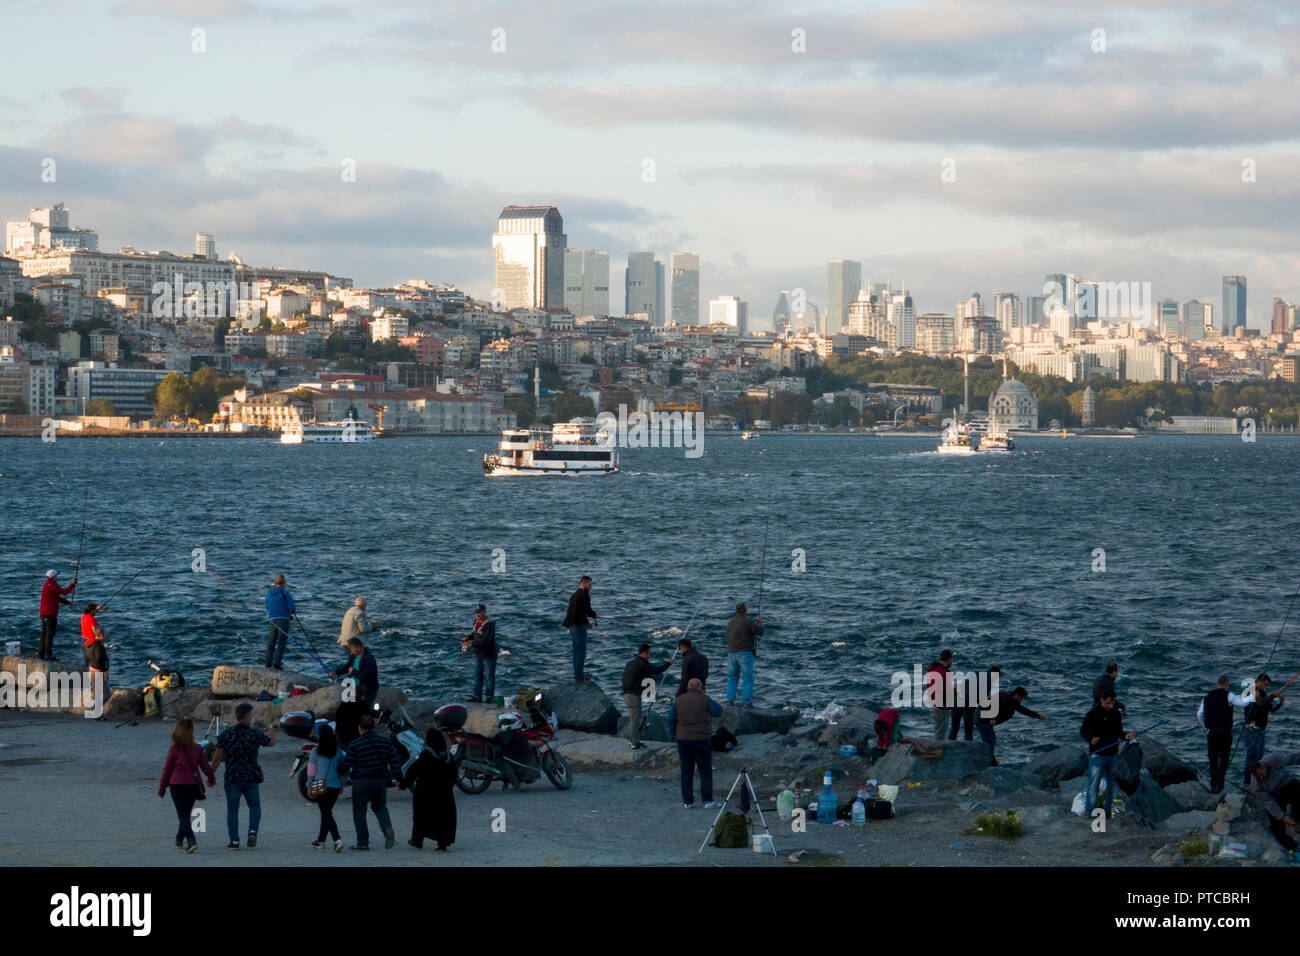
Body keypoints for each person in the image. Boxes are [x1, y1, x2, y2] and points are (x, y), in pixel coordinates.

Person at [209, 701, 275, 850]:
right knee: (254, 805)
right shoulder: (254, 734)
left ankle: (234, 841)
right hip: (250, 776)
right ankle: (252, 831)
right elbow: (270, 743)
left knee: (232, 809)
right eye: (250, 715)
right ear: (247, 717)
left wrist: (210, 775)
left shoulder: (226, 734)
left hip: (232, 777)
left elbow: (218, 757)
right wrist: (271, 731)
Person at [337, 712, 402, 850]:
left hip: (361, 781)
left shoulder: (355, 744)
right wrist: (399, 779)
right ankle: (387, 829)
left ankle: (363, 842)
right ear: (373, 727)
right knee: (380, 807)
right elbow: (394, 762)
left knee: (359, 812)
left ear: (360, 727)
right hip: (380, 780)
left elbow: (346, 765)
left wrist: (337, 771)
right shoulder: (385, 742)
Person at [157, 718, 215, 853]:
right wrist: (211, 778)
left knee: (183, 815)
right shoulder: (198, 748)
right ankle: (179, 839)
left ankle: (191, 840)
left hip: (177, 786)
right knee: (185, 814)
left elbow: (167, 770)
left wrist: (162, 788)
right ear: (191, 731)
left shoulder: (173, 749)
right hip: (193, 786)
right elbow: (205, 766)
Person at [400, 728, 458, 851]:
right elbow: (455, 775)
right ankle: (442, 845)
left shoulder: (426, 755)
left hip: (425, 794)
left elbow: (413, 771)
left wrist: (403, 785)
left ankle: (417, 840)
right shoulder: (449, 757)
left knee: (421, 817)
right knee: (444, 819)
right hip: (445, 795)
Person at [668, 678, 723, 809]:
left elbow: (670, 721)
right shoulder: (705, 699)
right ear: (700, 687)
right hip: (701, 740)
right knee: (705, 771)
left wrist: (675, 734)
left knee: (686, 772)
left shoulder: (679, 701)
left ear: (688, 687)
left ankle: (688, 801)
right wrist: (705, 696)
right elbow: (718, 711)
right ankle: (707, 801)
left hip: (683, 740)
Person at [1080, 690, 1135, 819]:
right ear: (1101, 700)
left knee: (1113, 785)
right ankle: (1090, 813)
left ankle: (1110, 813)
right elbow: (1083, 731)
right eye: (1108, 703)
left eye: (1112, 703)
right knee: (1093, 785)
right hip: (1097, 754)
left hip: (1113, 754)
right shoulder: (1092, 714)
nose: (1111, 706)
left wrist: (1127, 736)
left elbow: (1119, 733)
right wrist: (1090, 739)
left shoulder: (1116, 713)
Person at [1198, 674, 1249, 793]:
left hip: (1211, 733)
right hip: (1225, 732)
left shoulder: (1207, 697)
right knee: (1224, 758)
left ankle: (1213, 784)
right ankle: (1220, 785)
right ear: (1227, 684)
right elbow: (1242, 703)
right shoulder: (1229, 695)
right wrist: (1251, 695)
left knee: (1213, 759)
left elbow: (1199, 714)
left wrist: (1205, 726)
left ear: (1217, 684)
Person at [621, 643, 673, 750]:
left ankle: (635, 741)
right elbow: (657, 670)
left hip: (626, 694)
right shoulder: (642, 663)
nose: (650, 655)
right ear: (645, 652)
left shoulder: (631, 663)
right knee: (635, 719)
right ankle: (634, 743)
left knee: (635, 718)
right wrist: (668, 663)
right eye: (649, 652)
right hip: (633, 695)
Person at [1246, 752, 1300, 852]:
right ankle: (1288, 846)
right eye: (1258, 777)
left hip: (1288, 785)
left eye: (1261, 775)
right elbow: (1268, 803)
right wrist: (1283, 817)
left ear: (1263, 767)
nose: (1261, 778)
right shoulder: (1256, 786)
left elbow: (1293, 757)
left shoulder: (1274, 759)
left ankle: (1297, 821)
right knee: (1277, 828)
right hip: (1275, 795)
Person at [977, 684, 1046, 760]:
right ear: (1016, 695)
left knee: (992, 739)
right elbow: (985, 705)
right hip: (981, 718)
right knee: (989, 741)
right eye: (1021, 698)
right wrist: (992, 717)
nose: (1021, 700)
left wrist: (1038, 716)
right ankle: (987, 760)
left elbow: (1023, 710)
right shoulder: (1004, 697)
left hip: (986, 721)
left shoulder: (1013, 702)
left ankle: (990, 759)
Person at [307, 724, 345, 852]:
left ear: (320, 736)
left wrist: (309, 786)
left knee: (327, 814)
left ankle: (337, 839)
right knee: (326, 813)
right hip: (334, 787)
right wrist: (341, 784)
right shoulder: (339, 752)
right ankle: (320, 841)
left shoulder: (315, 751)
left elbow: (311, 772)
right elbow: (344, 771)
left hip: (320, 786)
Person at [1242, 673, 1285, 786]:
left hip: (1260, 731)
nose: (1266, 687)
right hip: (1252, 729)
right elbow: (1260, 703)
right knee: (1252, 758)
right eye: (1265, 684)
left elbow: (1272, 709)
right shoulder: (1252, 690)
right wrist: (1271, 696)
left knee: (1260, 758)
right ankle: (1248, 782)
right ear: (1259, 682)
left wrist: (1280, 702)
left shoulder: (1263, 694)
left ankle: (1256, 782)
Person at [724, 602, 763, 708]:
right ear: (745, 611)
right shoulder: (748, 621)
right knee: (748, 678)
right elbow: (760, 632)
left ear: (736, 611)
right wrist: (760, 623)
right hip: (745, 653)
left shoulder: (730, 623)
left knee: (732, 678)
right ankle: (747, 702)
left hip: (731, 654)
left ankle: (730, 701)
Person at [562, 576, 597, 684]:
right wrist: (593, 615)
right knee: (581, 653)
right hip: (578, 627)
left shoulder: (574, 595)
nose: (591, 587)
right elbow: (585, 610)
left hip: (572, 626)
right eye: (589, 584)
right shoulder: (584, 595)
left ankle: (579, 676)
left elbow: (576, 611)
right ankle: (579, 679)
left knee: (576, 653)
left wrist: (586, 622)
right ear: (583, 583)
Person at [462, 604, 497, 702]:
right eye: (476, 612)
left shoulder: (490, 625)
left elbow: (485, 641)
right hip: (479, 655)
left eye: (480, 612)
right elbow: (475, 634)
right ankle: (477, 697)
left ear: (485, 612)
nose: (478, 614)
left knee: (489, 678)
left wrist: (471, 644)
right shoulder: (476, 622)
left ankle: (489, 697)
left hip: (489, 655)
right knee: (477, 676)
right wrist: (468, 637)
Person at [38, 569, 77, 660]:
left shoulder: (47, 585)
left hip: (44, 614)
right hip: (50, 614)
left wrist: (67, 603)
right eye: (56, 576)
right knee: (49, 635)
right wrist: (72, 584)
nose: (57, 577)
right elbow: (65, 592)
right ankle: (49, 655)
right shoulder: (51, 585)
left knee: (44, 635)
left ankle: (41, 654)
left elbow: (56, 597)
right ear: (53, 576)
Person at [332, 636, 379, 709]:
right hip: (354, 688)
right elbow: (347, 666)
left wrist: (353, 672)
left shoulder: (369, 659)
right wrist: (336, 672)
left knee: (362, 710)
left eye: (352, 648)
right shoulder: (354, 655)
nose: (351, 651)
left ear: (359, 647)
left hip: (367, 691)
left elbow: (366, 676)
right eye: (350, 648)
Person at [264, 573, 295, 669]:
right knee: (281, 641)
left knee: (271, 641)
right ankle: (277, 664)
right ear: (283, 582)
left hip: (272, 619)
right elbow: (292, 606)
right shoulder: (285, 592)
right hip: (283, 619)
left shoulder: (269, 593)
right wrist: (292, 613)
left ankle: (267, 664)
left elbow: (266, 604)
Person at [926, 649, 953, 739]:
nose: (951, 662)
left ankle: (936, 749)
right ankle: (937, 751)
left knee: (938, 732)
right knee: (940, 735)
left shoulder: (934, 669)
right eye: (951, 659)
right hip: (941, 708)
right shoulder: (942, 672)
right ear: (949, 659)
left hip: (935, 705)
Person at [80, 603, 108, 679]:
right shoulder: (92, 619)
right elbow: (96, 633)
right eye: (95, 611)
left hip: (83, 640)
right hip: (91, 642)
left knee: (85, 661)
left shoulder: (83, 617)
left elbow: (91, 611)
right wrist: (102, 642)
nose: (96, 612)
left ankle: (83, 679)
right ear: (92, 610)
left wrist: (97, 608)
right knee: (95, 662)